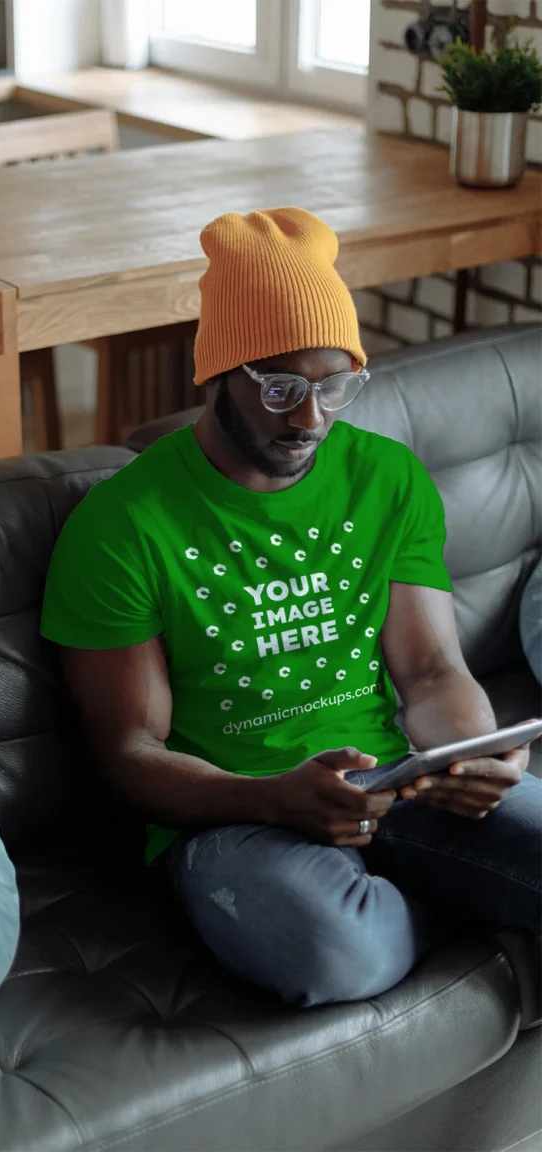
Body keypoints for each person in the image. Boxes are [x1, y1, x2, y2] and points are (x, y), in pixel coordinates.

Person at [41, 206, 540, 1007]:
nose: (309, 419)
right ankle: (477, 905)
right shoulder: (121, 527)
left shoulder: (386, 477)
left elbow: (430, 668)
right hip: (233, 817)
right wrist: (270, 793)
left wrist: (472, 754)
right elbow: (131, 753)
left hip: (395, 784)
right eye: (279, 388)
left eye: (333, 385)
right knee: (337, 953)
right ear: (214, 376)